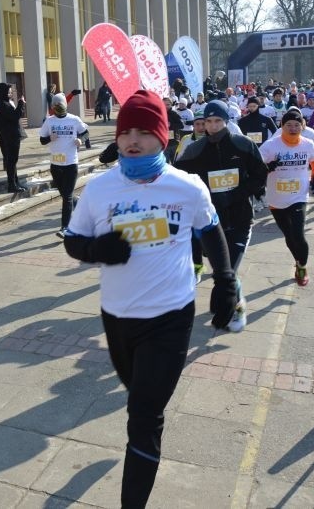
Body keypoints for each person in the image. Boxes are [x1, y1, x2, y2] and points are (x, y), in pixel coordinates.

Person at [63, 90, 237, 508]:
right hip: (117, 317)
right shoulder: (100, 190)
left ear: (163, 138)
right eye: (126, 132)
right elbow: (73, 240)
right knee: (136, 394)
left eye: (144, 131)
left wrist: (225, 281)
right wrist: (95, 250)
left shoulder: (187, 188)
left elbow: (211, 230)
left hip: (171, 317)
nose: (132, 140)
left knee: (144, 418)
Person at [176, 100, 268, 332]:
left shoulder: (243, 145)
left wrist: (238, 194)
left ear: (227, 121)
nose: (213, 126)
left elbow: (259, 175)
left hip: (240, 218)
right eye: (208, 121)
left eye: (218, 121)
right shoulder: (194, 150)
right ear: (203, 124)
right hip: (209, 223)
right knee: (221, 271)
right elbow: (179, 182)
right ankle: (228, 303)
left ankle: (237, 307)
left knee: (229, 270)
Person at [257, 108, 314, 286]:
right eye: (289, 125)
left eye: (297, 125)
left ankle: (302, 266)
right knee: (289, 235)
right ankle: (297, 261)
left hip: (299, 196)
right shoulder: (271, 145)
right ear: (282, 126)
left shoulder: (307, 144)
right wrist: (268, 167)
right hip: (276, 199)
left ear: (302, 126)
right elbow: (255, 165)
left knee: (298, 234)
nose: (293, 128)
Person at [39, 93, 89, 238]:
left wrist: (80, 139)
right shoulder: (49, 121)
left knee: (66, 196)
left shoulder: (74, 120)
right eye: (55, 106)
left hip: (71, 163)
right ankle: (76, 201)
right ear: (53, 107)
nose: (58, 108)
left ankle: (65, 228)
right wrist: (50, 138)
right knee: (65, 195)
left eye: (60, 105)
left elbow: (86, 133)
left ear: (65, 106)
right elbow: (42, 140)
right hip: (55, 165)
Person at [0, 82, 27, 193]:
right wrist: (21, 103)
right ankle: (12, 185)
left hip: (12, 135)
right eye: (8, 92)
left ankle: (15, 182)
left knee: (13, 161)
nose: (10, 93)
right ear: (3, 93)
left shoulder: (7, 103)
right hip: (10, 135)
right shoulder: (3, 104)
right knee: (11, 161)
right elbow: (15, 116)